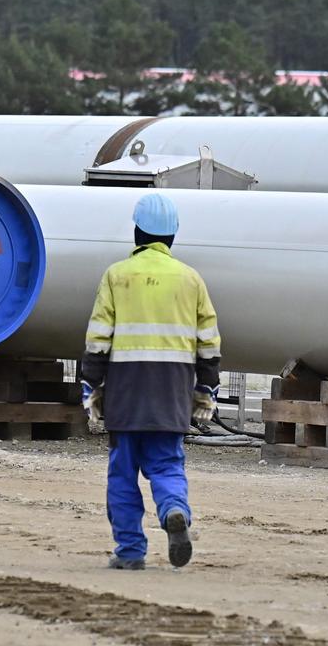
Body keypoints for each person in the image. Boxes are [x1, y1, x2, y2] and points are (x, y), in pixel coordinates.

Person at [80, 193, 220, 571]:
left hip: (125, 390)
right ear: (172, 235)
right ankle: (174, 509)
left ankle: (129, 552)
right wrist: (206, 388)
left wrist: (90, 385)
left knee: (122, 473)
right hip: (172, 391)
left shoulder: (116, 276)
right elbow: (209, 342)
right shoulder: (192, 280)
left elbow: (98, 338)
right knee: (167, 465)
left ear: (138, 232)